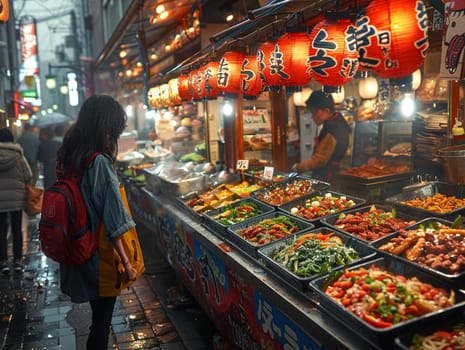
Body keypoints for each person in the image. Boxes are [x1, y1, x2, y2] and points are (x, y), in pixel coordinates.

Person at [56, 95, 137, 350]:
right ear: (105, 127)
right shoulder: (99, 162)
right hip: (100, 255)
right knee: (101, 323)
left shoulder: (70, 156)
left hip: (78, 244)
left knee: (98, 319)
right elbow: (114, 218)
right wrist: (126, 262)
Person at [292, 90, 351, 181]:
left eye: (314, 112)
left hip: (329, 178)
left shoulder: (333, 128)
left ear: (326, 111)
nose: (312, 116)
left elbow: (319, 160)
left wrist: (297, 167)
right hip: (335, 176)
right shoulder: (338, 121)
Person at [0, 128, 33, 274]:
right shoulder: (19, 156)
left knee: (1, 231)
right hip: (16, 199)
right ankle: (18, 261)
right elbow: (29, 175)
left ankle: (3, 262)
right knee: (16, 229)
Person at [37, 124, 66, 189]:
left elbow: (39, 158)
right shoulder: (61, 144)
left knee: (49, 190)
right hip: (59, 171)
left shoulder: (43, 145)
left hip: (47, 171)